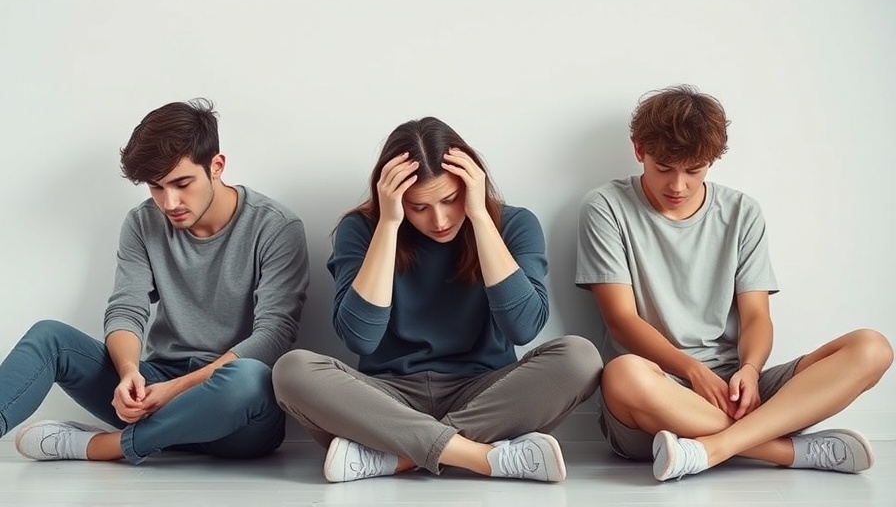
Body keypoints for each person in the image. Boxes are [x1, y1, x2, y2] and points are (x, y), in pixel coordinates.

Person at [575, 85, 893, 481]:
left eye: (693, 170)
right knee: (621, 374)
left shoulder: (742, 212)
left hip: (735, 392)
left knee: (872, 348)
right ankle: (784, 451)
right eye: (663, 168)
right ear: (639, 150)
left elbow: (757, 316)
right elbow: (621, 319)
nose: (677, 185)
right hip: (653, 401)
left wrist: (750, 369)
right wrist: (692, 371)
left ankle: (712, 448)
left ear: (712, 160)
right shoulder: (605, 207)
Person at [273, 116, 601, 483]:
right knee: (292, 370)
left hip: (484, 393)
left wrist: (479, 217)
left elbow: (522, 327)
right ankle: (479, 456)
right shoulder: (363, 229)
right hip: (386, 398)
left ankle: (398, 457)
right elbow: (359, 338)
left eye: (451, 199)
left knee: (579, 357)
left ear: (470, 185)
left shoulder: (514, 224)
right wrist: (388, 224)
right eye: (419, 207)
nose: (440, 219)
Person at [1, 99, 310, 464]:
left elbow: (273, 336)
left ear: (217, 166)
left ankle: (101, 447)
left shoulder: (275, 227)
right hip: (153, 390)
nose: (170, 201)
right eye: (156, 187)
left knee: (249, 378)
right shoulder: (142, 223)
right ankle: (152, 435)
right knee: (49, 337)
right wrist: (130, 372)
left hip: (235, 417)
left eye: (182, 183)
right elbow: (126, 308)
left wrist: (176, 390)